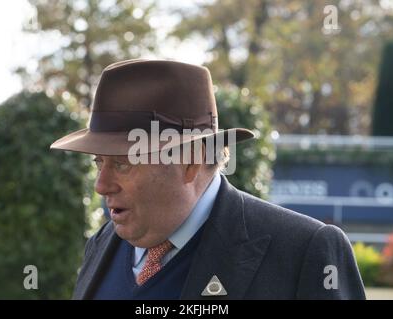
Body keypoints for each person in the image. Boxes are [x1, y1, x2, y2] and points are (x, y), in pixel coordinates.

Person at [50, 59, 366, 300]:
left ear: (191, 161)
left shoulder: (303, 253)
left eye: (121, 164)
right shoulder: (101, 244)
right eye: (98, 162)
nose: (101, 185)